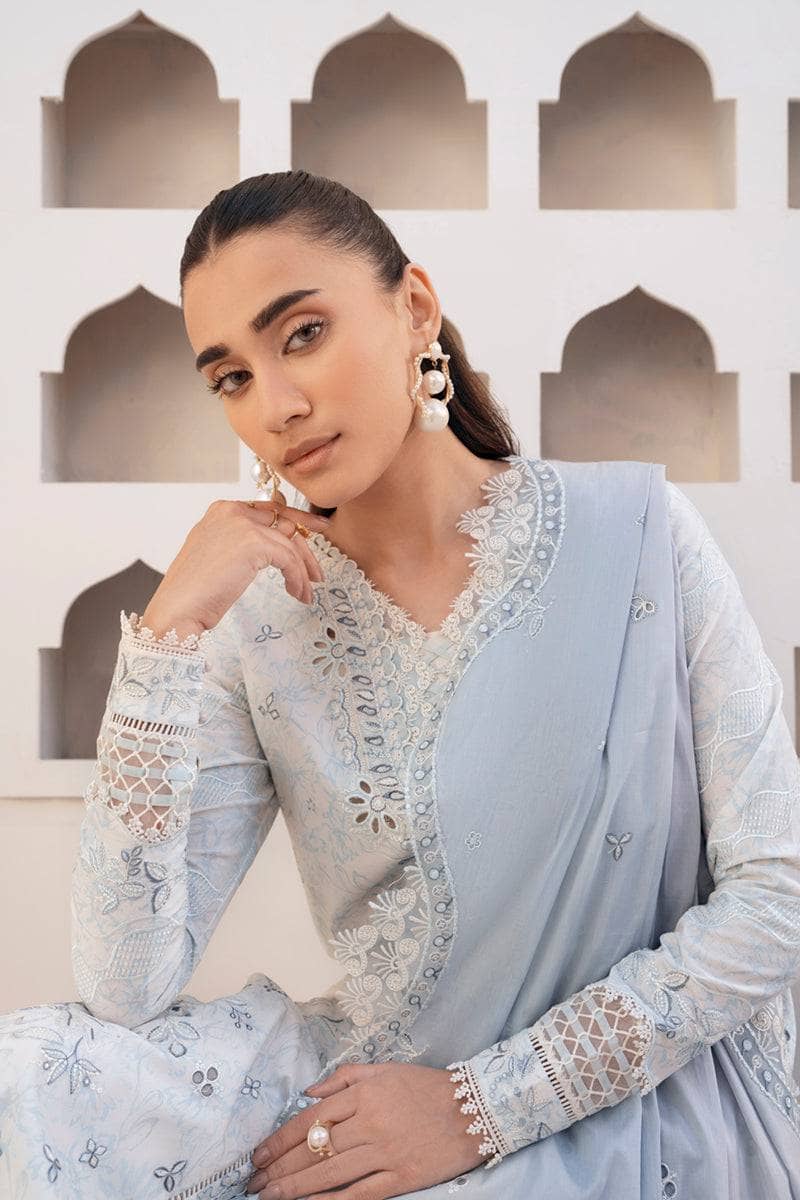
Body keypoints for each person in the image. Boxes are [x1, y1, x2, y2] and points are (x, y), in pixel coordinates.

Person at [1, 169, 799, 1200]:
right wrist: (165, 637)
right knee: (34, 1077)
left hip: (631, 1086)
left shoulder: (636, 538)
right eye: (231, 377)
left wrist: (480, 1107)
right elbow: (123, 986)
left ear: (415, 307)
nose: (277, 406)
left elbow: (776, 897)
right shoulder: (258, 621)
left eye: (301, 335)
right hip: (381, 1067)